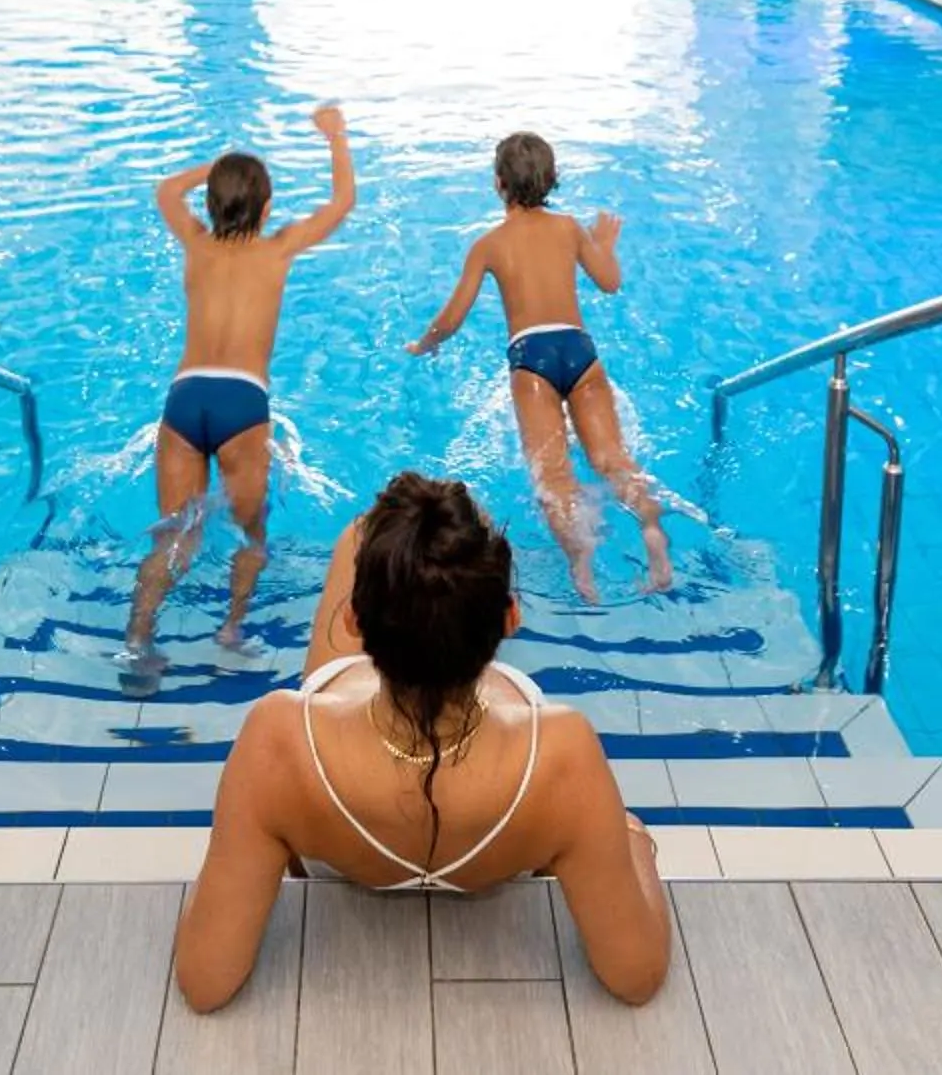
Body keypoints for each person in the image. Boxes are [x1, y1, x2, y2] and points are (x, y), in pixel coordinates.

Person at [172, 474, 669, 1012]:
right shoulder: (563, 754)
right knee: (397, 552)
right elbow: (635, 975)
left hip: (336, 819)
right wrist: (630, 837)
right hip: (504, 835)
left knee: (365, 534)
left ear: (354, 622)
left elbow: (206, 983)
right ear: (510, 619)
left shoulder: (277, 741)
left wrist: (250, 836)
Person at [123, 105, 356, 679]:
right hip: (242, 403)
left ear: (211, 203)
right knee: (252, 534)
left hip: (184, 398)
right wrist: (335, 137)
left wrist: (215, 166)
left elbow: (164, 190)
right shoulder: (277, 250)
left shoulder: (196, 243)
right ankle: (229, 629)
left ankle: (137, 638)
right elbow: (342, 202)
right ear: (268, 206)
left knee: (175, 536)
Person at [408, 133, 672, 598]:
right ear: (552, 181)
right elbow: (610, 283)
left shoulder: (489, 244)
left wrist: (425, 344)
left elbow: (452, 317)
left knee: (554, 474)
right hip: (579, 350)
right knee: (613, 459)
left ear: (498, 183)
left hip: (532, 360)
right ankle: (653, 535)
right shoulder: (570, 228)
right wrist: (604, 244)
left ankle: (583, 566)